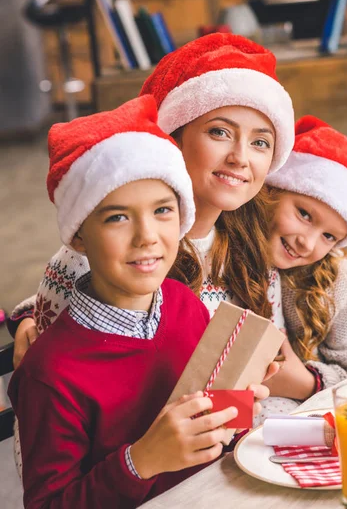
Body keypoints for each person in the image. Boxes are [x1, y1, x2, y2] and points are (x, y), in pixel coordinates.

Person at [8, 95, 269, 509]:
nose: (147, 236)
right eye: (118, 217)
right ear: (79, 236)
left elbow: (211, 440)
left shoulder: (185, 303)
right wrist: (139, 462)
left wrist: (234, 405)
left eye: (163, 211)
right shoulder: (50, 375)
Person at [9, 32, 295, 356]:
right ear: (173, 138)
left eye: (260, 142)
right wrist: (27, 318)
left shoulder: (253, 239)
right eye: (220, 132)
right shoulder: (89, 254)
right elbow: (59, 378)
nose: (240, 157)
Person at [253, 115, 347, 424]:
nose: (307, 243)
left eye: (329, 236)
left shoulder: (335, 277)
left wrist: (306, 382)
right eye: (304, 214)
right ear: (271, 192)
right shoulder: (236, 257)